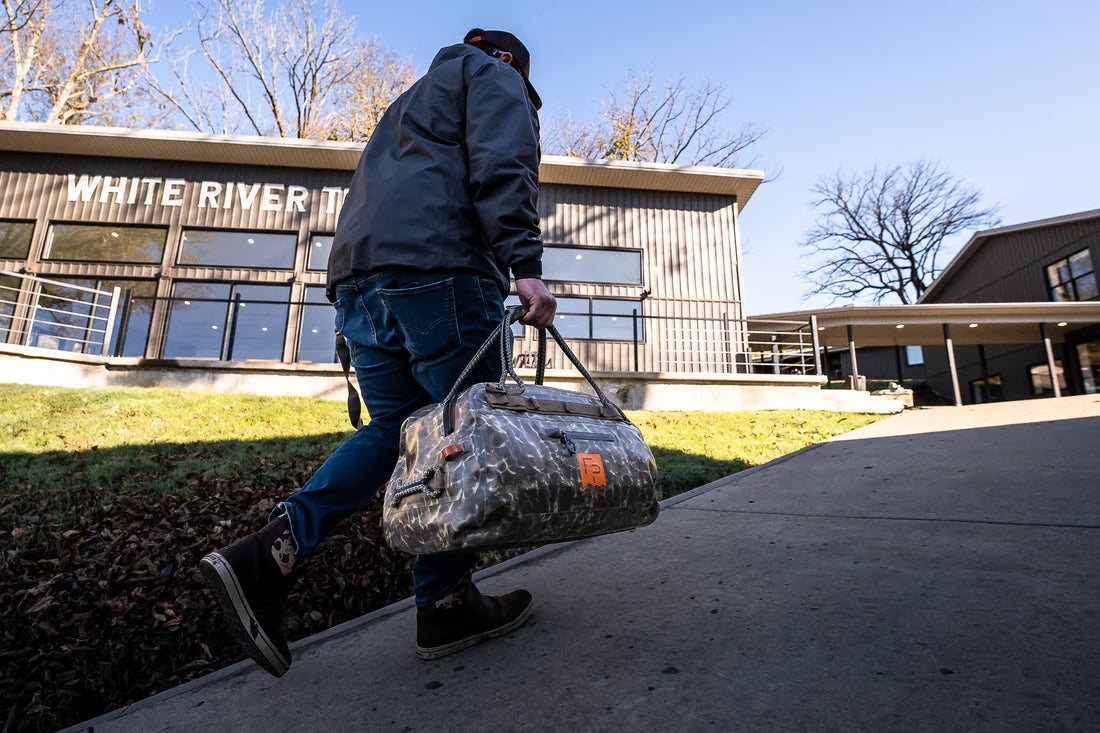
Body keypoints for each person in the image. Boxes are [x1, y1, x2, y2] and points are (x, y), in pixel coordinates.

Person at [199, 28, 557, 677]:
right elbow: (503, 162)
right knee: (459, 429)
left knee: (398, 429)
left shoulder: (407, 106)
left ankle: (271, 552)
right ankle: (445, 602)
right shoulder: (494, 76)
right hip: (441, 270)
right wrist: (524, 262)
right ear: (507, 61)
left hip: (359, 281)